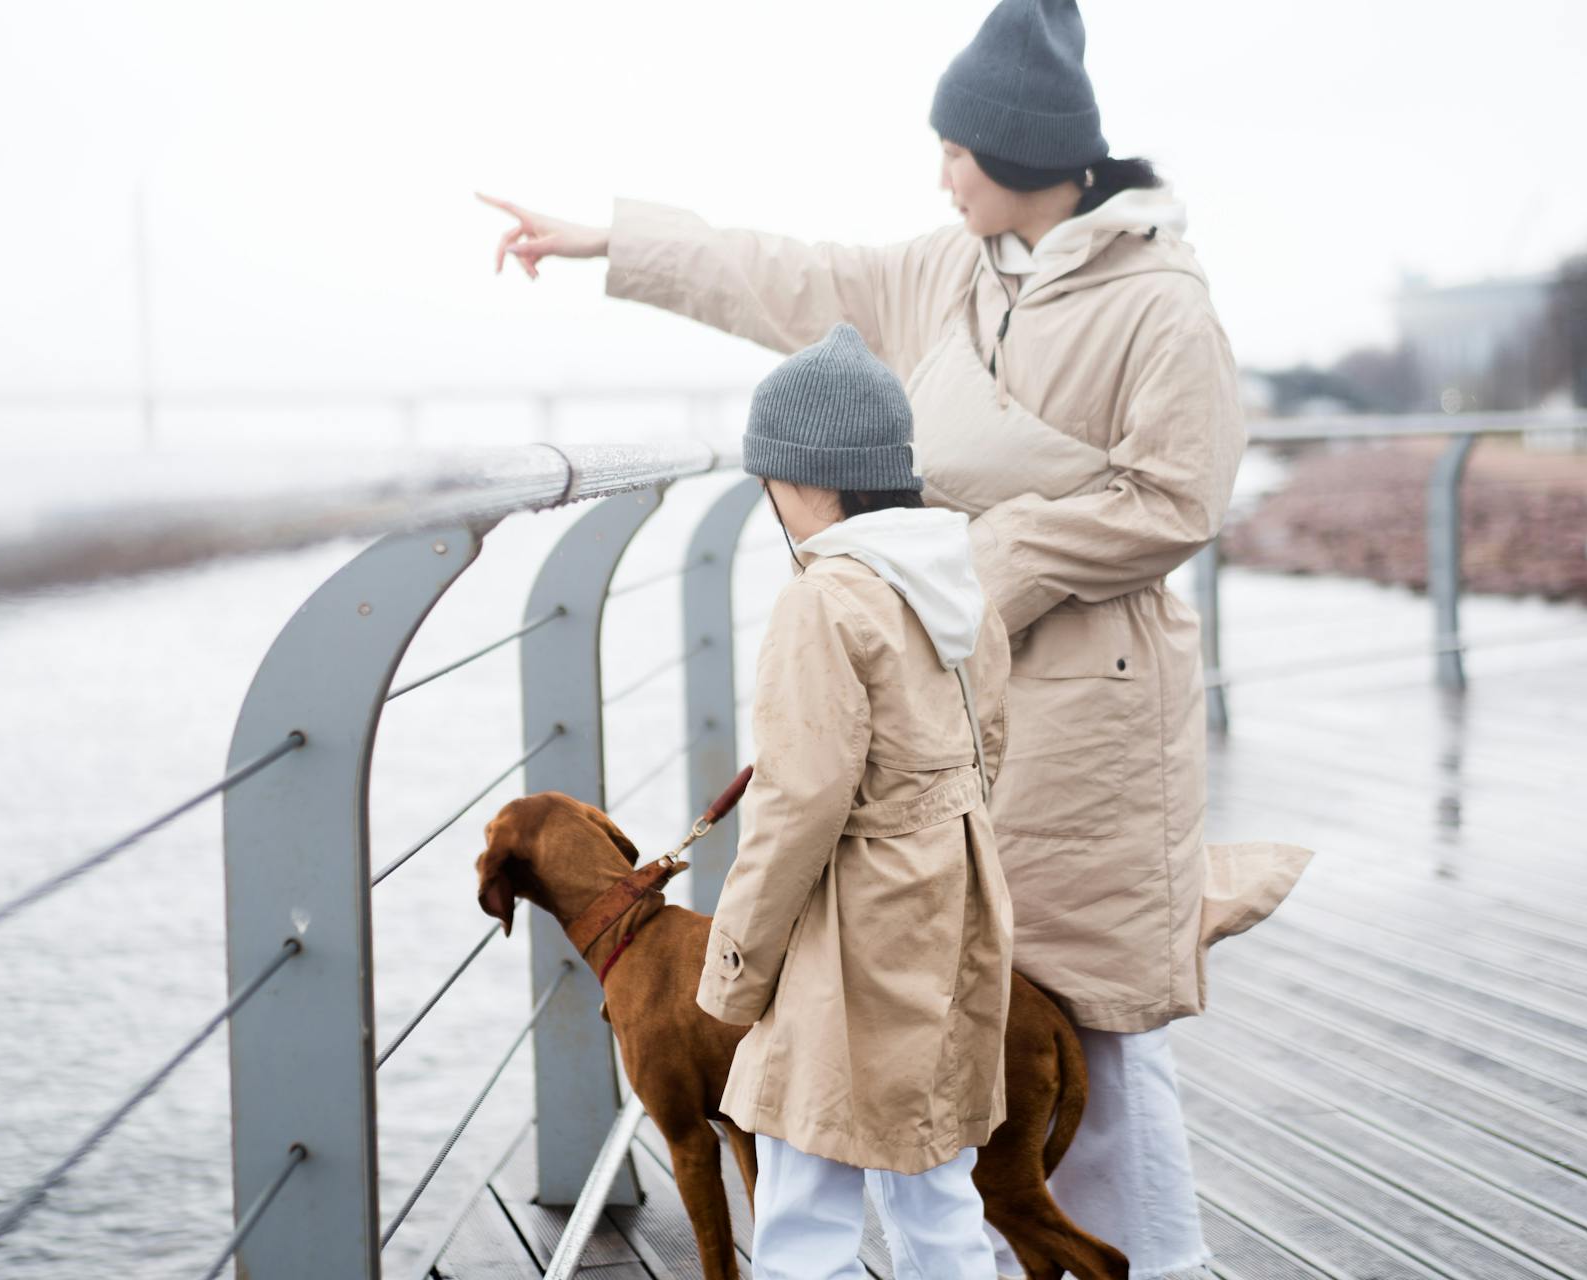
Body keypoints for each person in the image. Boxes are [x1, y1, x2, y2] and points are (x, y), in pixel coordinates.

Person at [481, 4, 1313, 1275]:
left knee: (1097, 1022)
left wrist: (977, 567)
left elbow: (1178, 498)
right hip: (950, 687)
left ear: (1024, 151)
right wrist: (613, 241)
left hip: (1091, 701)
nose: (940, 174)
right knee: (983, 1008)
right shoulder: (945, 270)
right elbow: (789, 274)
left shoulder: (1161, 304)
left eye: (956, 153)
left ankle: (1162, 1261)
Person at [697, 321, 1013, 1280]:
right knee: (934, 1180)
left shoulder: (823, 599)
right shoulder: (956, 579)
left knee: (805, 1192)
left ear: (796, 477)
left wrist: (735, 967)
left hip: (855, 927)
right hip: (954, 894)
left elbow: (798, 802)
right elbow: (990, 745)